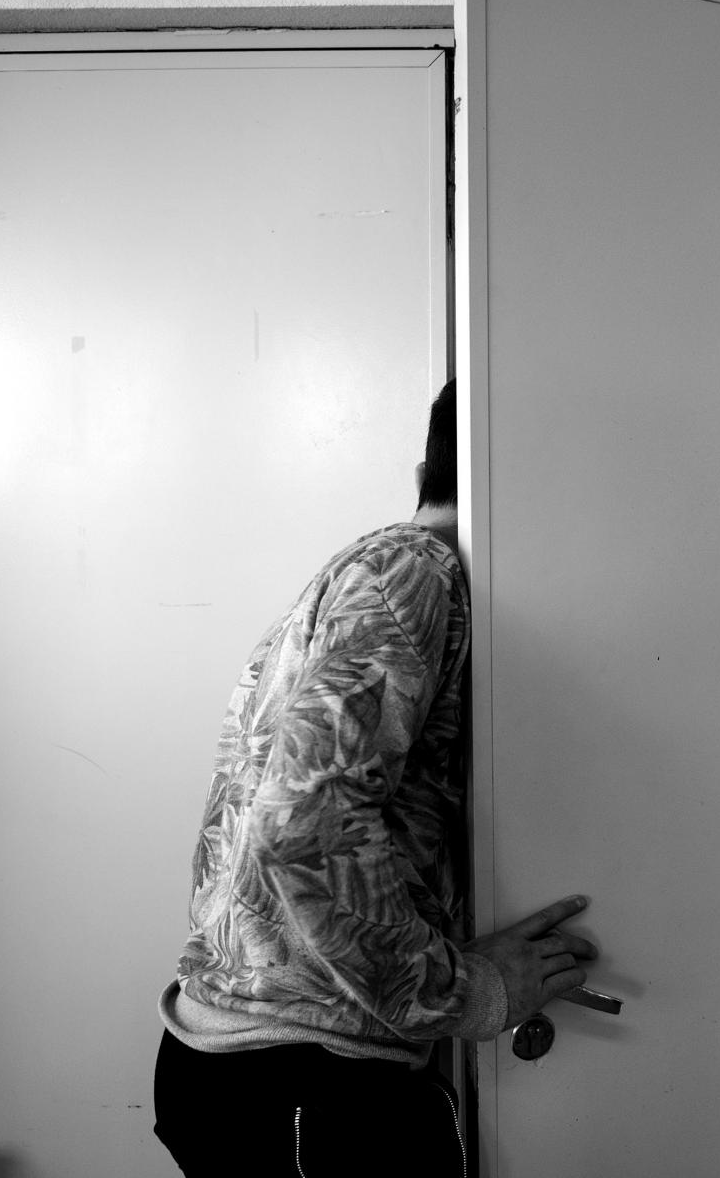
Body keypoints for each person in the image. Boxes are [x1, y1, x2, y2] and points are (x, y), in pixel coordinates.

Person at [152, 380, 596, 1177]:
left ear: (425, 471)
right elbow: (302, 829)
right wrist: (472, 991)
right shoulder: (413, 574)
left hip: (270, 1070)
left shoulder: (373, 574)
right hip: (305, 1084)